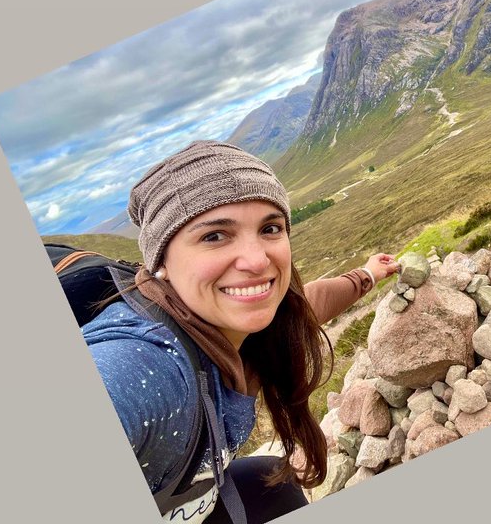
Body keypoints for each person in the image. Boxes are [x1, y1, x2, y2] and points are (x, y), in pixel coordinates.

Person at [82, 140, 399, 522]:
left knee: (273, 481)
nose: (256, 260)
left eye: (270, 228)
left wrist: (367, 275)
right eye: (215, 235)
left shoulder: (243, 322)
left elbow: (306, 306)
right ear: (160, 260)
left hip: (200, 496)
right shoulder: (146, 361)